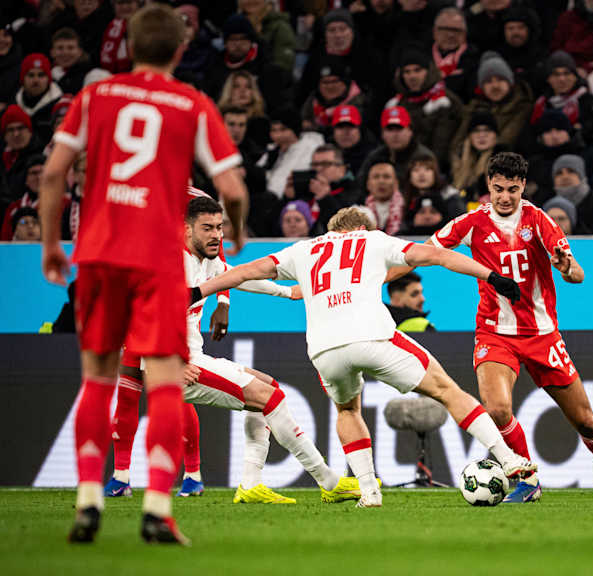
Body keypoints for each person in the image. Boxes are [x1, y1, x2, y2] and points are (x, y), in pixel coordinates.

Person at [38, 4, 246, 545]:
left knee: (98, 381)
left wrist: (49, 244)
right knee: (167, 384)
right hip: (156, 263)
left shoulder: (94, 96)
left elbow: (55, 171)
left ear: (127, 47)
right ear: (180, 50)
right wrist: (238, 233)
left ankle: (87, 501)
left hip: (102, 254)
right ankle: (158, 508)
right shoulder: (192, 103)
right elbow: (234, 189)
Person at [196, 206, 537, 508]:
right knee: (448, 391)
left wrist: (197, 292)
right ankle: (507, 460)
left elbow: (242, 272)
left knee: (347, 409)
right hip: (373, 336)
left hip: (324, 350)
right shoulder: (374, 240)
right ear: (363, 228)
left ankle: (369, 492)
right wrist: (491, 275)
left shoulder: (303, 250)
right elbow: (438, 256)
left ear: (333, 229)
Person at [427, 152, 593, 503]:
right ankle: (527, 479)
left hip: (542, 335)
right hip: (495, 333)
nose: (505, 197)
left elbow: (577, 274)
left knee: (584, 419)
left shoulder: (539, 221)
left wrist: (566, 266)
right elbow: (424, 251)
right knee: (497, 410)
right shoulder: (471, 222)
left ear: (523, 186)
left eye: (512, 189)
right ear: (488, 187)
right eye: (497, 189)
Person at [105, 196, 361, 505]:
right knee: (272, 400)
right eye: (207, 228)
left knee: (269, 389)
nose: (215, 235)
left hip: (188, 358)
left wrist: (289, 292)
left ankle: (251, 483)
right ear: (186, 230)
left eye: (219, 227)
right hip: (170, 365)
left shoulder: (207, 261)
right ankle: (329, 481)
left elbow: (240, 276)